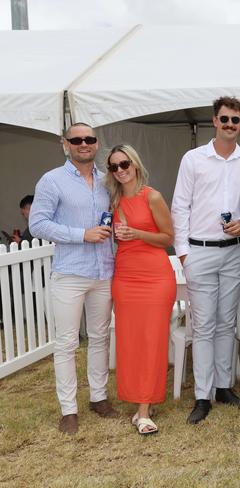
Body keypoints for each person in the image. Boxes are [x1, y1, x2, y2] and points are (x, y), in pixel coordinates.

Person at [171, 96, 240, 424]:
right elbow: (180, 206)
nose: (229, 124)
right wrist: (183, 252)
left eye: (235, 120)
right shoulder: (193, 159)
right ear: (214, 121)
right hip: (200, 251)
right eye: (224, 119)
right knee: (203, 325)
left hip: (235, 250)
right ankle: (201, 395)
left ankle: (223, 387)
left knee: (227, 322)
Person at [30, 122, 116, 435]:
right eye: (77, 140)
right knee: (66, 343)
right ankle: (68, 410)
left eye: (89, 139)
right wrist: (82, 235)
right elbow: (38, 224)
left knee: (100, 337)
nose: (84, 144)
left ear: (96, 143)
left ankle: (99, 398)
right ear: (65, 144)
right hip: (69, 272)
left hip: (104, 271)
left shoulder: (107, 180)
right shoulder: (52, 180)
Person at [105, 144, 175, 435]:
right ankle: (139, 401)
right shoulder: (113, 201)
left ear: (135, 164)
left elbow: (168, 237)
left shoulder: (152, 196)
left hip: (155, 277)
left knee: (152, 341)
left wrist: (137, 234)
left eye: (124, 164)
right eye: (114, 166)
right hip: (125, 277)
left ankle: (144, 410)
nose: (120, 170)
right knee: (130, 341)